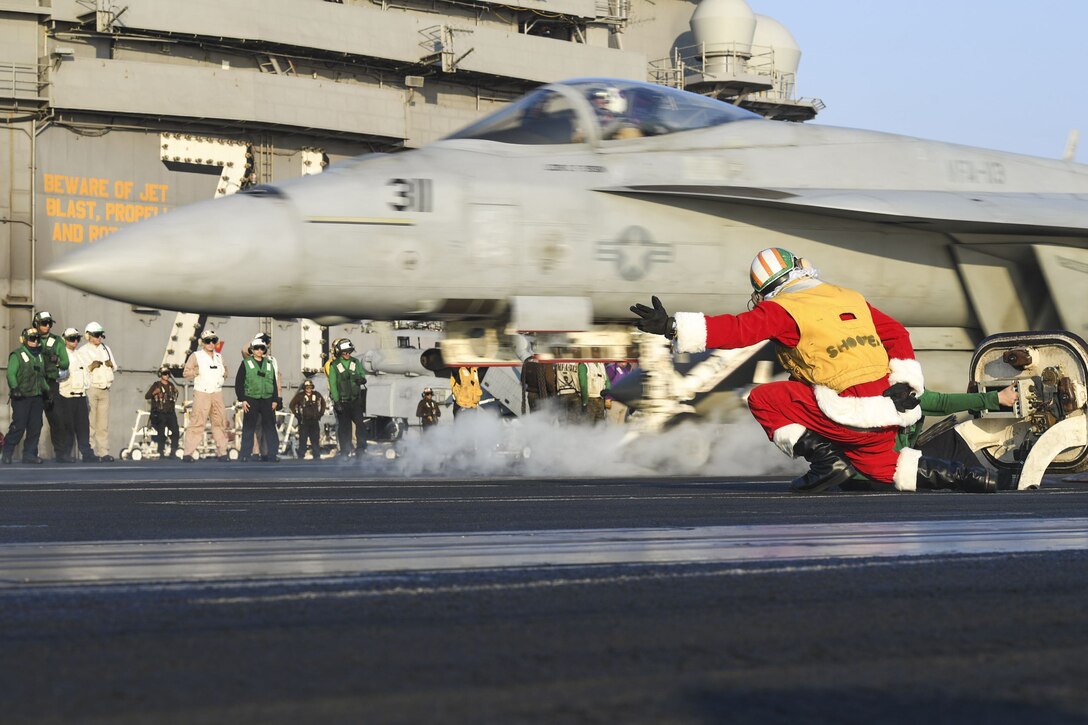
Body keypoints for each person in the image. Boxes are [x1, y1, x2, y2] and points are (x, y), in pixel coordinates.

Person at [630, 247, 999, 494]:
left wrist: (672, 327)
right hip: (889, 414)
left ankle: (825, 461)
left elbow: (738, 331)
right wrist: (904, 383)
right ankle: (971, 477)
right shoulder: (848, 296)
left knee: (763, 397)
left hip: (848, 414)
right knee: (886, 469)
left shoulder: (782, 308)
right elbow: (897, 333)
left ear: (766, 289)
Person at [182, 329, 231, 462]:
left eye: (213, 340)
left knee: (220, 422)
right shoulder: (196, 356)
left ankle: (222, 452)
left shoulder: (219, 357)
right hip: (202, 392)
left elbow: (225, 370)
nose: (210, 343)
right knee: (197, 422)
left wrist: (224, 374)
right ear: (202, 343)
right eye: (207, 341)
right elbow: (186, 372)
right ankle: (188, 453)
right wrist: (196, 371)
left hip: (217, 392)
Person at [2, 327, 49, 464]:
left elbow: (41, 377)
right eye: (32, 339)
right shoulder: (17, 355)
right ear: (24, 340)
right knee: (19, 425)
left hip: (36, 396)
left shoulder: (39, 356)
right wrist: (15, 387)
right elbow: (11, 373)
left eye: (37, 339)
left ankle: (29, 454)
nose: (35, 342)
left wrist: (47, 391)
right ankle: (7, 452)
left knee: (35, 426)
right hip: (21, 396)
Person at [54, 327, 98, 463]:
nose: (75, 342)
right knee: (68, 427)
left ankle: (87, 453)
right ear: (65, 340)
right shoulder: (61, 355)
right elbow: (58, 376)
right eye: (71, 339)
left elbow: (86, 373)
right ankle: (65, 453)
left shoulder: (80, 355)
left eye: (77, 339)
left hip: (80, 396)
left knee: (83, 427)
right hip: (67, 396)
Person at [235, 336, 282, 462]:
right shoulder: (246, 363)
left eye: (262, 348)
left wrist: (275, 400)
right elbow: (239, 382)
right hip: (251, 398)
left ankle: (272, 454)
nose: (259, 351)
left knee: (270, 427)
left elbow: (273, 382)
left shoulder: (269, 364)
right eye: (257, 348)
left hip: (267, 398)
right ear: (252, 350)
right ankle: (244, 454)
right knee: (249, 428)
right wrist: (242, 399)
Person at [33, 311, 69, 459]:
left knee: (57, 419)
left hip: (51, 384)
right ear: (36, 323)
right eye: (44, 323)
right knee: (33, 421)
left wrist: (57, 361)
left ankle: (61, 453)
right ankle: (30, 453)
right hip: (34, 384)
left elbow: (66, 362)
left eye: (49, 323)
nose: (47, 326)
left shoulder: (57, 341)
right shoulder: (31, 338)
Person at [83, 321, 117, 462]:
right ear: (88, 336)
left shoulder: (106, 348)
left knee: (103, 424)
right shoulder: (83, 351)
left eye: (100, 335)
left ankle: (104, 452)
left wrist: (111, 365)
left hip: (105, 389)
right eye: (96, 335)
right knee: (90, 423)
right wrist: (91, 366)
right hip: (92, 388)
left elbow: (114, 366)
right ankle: (90, 452)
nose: (99, 338)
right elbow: (81, 371)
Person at [328, 338, 368, 457]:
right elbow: (333, 384)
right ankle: (345, 451)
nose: (347, 354)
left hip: (355, 400)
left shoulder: (355, 362)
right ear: (340, 353)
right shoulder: (334, 366)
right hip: (342, 401)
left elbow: (362, 375)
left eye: (349, 352)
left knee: (360, 425)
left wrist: (362, 379)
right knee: (344, 428)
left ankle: (361, 448)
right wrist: (336, 401)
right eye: (345, 352)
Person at [145, 366, 180, 459]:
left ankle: (173, 451)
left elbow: (174, 397)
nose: (167, 375)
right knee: (161, 432)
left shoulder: (171, 385)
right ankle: (161, 452)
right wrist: (154, 392)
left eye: (168, 373)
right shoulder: (156, 385)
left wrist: (176, 392)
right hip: (160, 412)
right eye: (165, 374)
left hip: (170, 412)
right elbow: (147, 396)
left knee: (176, 431)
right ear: (161, 375)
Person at [289, 379, 326, 460]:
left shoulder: (317, 395)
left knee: (315, 439)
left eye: (310, 387)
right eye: (307, 388)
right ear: (304, 388)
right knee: (303, 439)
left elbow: (323, 404)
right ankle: (301, 455)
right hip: (304, 421)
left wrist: (320, 414)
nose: (308, 389)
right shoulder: (300, 396)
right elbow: (291, 405)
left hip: (314, 420)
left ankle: (316, 455)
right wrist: (297, 415)